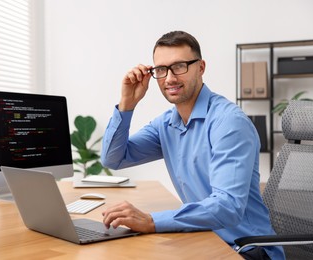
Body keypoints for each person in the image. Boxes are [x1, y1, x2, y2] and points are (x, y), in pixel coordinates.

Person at [101, 31, 285, 260]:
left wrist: (151, 221)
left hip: (247, 250)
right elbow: (113, 159)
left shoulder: (229, 123)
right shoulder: (166, 124)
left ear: (201, 67)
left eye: (179, 66)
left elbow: (227, 206)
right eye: (161, 69)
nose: (169, 78)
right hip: (205, 239)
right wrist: (127, 103)